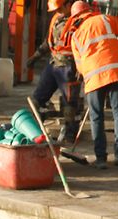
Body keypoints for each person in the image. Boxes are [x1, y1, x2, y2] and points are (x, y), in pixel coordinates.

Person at [68, 0, 118, 170]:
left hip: (93, 79)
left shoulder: (75, 37)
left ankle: (101, 159)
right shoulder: (106, 19)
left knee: (96, 117)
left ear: (75, 17)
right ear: (89, 10)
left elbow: (80, 67)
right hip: (116, 74)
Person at [25, 0, 80, 140]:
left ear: (69, 5)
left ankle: (70, 131)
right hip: (54, 63)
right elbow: (48, 42)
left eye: (60, 9)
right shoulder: (56, 19)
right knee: (38, 97)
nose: (58, 12)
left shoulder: (78, 22)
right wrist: (35, 57)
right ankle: (33, 127)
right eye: (57, 9)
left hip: (69, 67)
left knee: (69, 102)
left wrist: (82, 68)